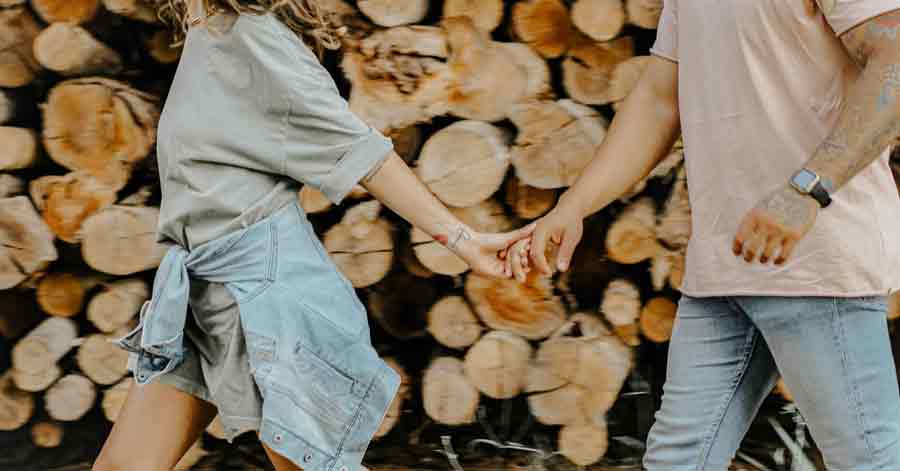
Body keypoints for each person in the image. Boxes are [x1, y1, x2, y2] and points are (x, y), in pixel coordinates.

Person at [91, 1, 533, 470]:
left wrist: (462, 239)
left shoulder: (252, 36)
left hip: (264, 300)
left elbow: (361, 151)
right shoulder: (210, 31)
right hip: (200, 297)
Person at [508, 1, 900, 469]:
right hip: (725, 265)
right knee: (678, 461)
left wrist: (809, 188)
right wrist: (574, 205)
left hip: (816, 263)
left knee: (866, 460)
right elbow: (660, 97)